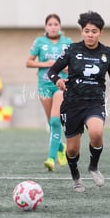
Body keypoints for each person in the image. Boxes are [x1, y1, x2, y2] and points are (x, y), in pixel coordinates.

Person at [47, 11, 110, 192]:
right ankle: (76, 177)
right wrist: (57, 80)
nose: (90, 35)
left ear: (100, 33)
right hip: (72, 104)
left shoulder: (107, 53)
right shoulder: (72, 50)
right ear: (82, 31)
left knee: (97, 133)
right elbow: (52, 71)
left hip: (94, 103)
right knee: (73, 150)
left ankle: (93, 166)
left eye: (94, 31)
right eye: (87, 31)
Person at [26, 13, 72, 172]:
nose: (53, 27)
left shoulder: (68, 42)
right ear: (46, 27)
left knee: (54, 122)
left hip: (61, 86)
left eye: (55, 24)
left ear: (60, 26)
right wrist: (46, 63)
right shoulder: (40, 42)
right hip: (44, 86)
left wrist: (64, 68)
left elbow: (75, 65)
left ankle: (51, 159)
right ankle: (61, 147)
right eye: (50, 24)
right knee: (52, 125)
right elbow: (28, 62)